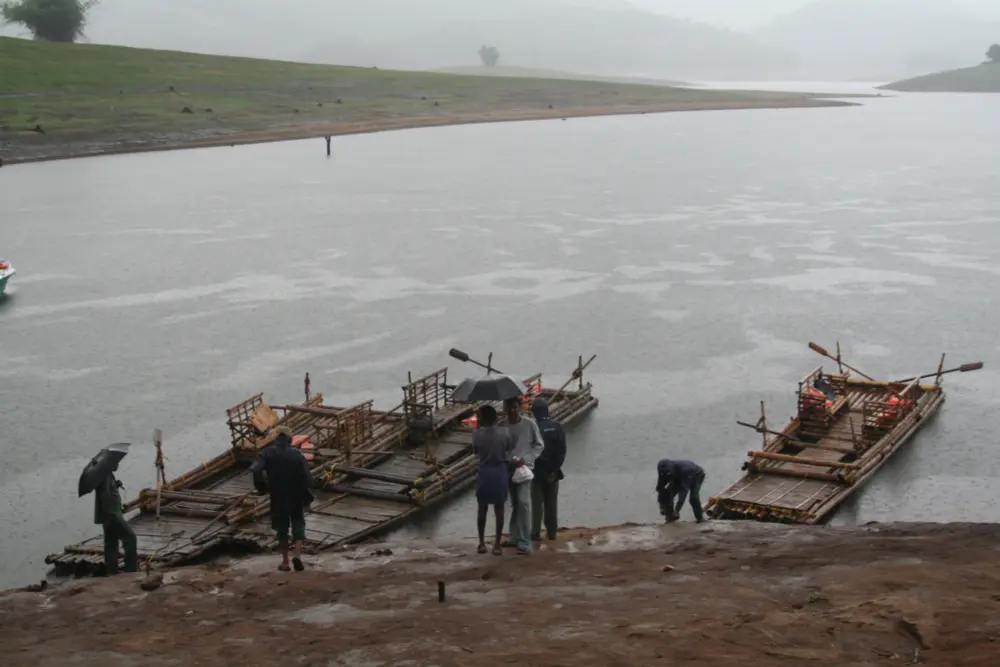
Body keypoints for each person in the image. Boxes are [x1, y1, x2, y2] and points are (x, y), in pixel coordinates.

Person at [251, 426, 314, 572]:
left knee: (282, 528)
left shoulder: (266, 453)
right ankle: (297, 555)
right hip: (296, 495)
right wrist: (308, 497)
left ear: (276, 438)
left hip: (278, 495)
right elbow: (307, 478)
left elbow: (255, 469)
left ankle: (285, 563)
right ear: (290, 439)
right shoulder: (297, 454)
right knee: (298, 524)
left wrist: (261, 486)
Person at [502, 397, 544, 555]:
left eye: (515, 407)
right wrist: (508, 458)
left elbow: (539, 445)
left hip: (524, 468)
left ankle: (525, 542)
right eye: (509, 408)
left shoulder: (529, 424)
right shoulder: (502, 426)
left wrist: (526, 459)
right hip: (508, 468)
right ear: (505, 408)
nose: (512, 411)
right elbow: (500, 447)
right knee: (515, 503)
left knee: (524, 503)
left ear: (519, 407)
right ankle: (514, 536)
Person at [472, 405, 512, 555]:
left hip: (484, 471)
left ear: (483, 419)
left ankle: (482, 543)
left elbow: (475, 451)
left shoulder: (477, 434)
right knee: (499, 508)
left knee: (482, 507)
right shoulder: (505, 432)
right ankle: (497, 545)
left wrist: (478, 429)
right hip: (500, 470)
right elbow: (508, 448)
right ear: (495, 417)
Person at [530, 397, 566, 542]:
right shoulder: (557, 427)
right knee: (552, 504)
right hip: (553, 472)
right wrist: (555, 469)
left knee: (537, 505)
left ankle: (535, 533)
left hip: (536, 472)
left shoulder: (533, 428)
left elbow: (531, 449)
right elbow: (562, 450)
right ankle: (552, 532)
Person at [94, 461, 138, 576]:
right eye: (116, 462)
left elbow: (106, 492)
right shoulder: (106, 477)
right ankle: (131, 570)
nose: (117, 464)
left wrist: (115, 484)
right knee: (130, 538)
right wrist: (111, 515)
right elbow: (105, 497)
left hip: (107, 517)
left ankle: (111, 571)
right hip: (113, 516)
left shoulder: (105, 475)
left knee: (111, 543)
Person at [656, 459, 706, 523]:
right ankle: (670, 518)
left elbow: (683, 493)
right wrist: (661, 506)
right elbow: (660, 487)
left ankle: (700, 518)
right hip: (679, 476)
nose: (665, 474)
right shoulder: (663, 469)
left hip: (697, 475)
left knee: (693, 498)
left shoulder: (685, 470)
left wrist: (677, 510)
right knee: (667, 495)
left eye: (668, 473)